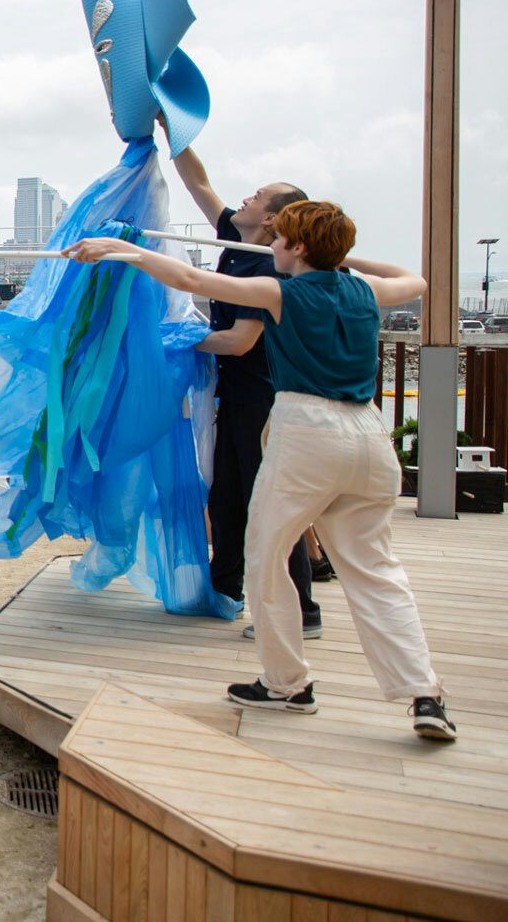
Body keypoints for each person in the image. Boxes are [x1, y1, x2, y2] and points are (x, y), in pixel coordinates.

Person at [66, 202, 455, 740]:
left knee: (266, 554)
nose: (270, 246)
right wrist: (339, 254)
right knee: (376, 567)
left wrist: (120, 249)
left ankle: (286, 682)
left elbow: (188, 277)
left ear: (297, 248)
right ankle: (425, 695)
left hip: (308, 433)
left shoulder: (280, 293)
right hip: (369, 436)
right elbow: (416, 280)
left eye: (281, 238)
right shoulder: (364, 292)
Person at [172, 142, 322, 638]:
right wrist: (171, 126)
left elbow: (239, 342)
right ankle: (226, 591)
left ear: (275, 219)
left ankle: (301, 609)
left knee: (271, 505)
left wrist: (182, 339)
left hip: (262, 402)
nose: (246, 198)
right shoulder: (237, 243)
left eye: (257, 196)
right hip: (234, 399)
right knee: (228, 502)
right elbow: (198, 183)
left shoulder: (266, 266)